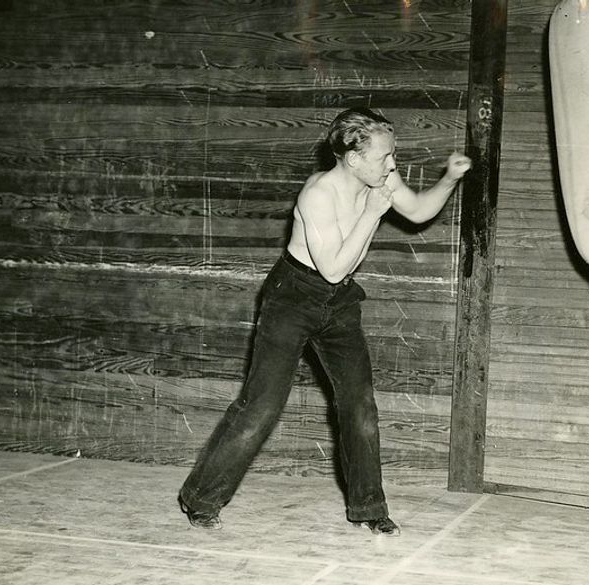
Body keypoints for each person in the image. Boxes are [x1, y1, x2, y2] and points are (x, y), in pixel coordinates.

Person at [177, 107, 471, 535]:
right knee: (261, 406)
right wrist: (372, 213)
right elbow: (331, 267)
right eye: (385, 156)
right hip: (293, 297)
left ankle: (370, 508)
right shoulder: (318, 194)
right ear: (353, 159)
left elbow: (420, 211)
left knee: (360, 406)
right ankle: (200, 497)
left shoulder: (380, 179)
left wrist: (449, 178)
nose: (393, 164)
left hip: (339, 303)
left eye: (393, 155)